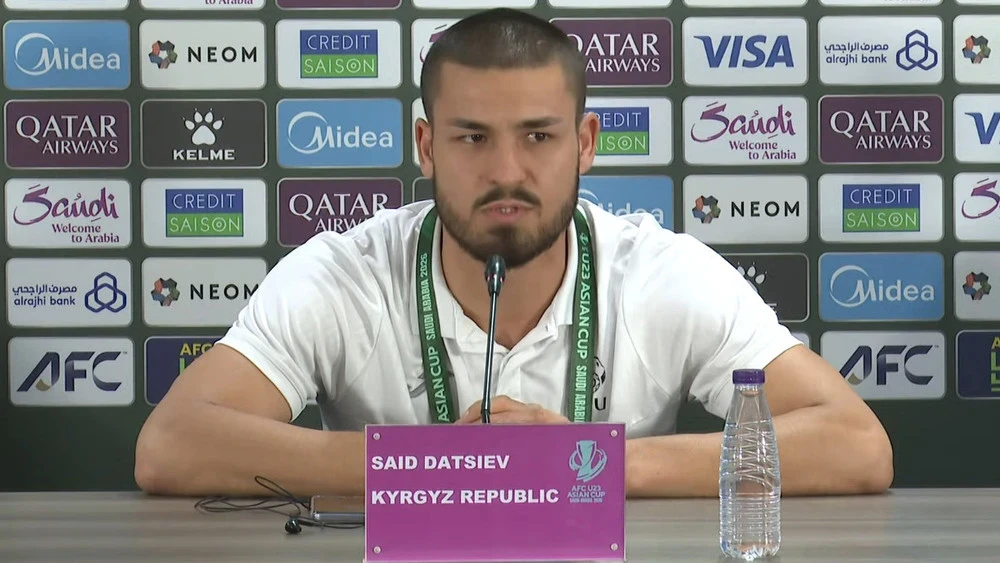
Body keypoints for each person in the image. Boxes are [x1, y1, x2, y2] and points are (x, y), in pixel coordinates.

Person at [134, 8, 893, 499]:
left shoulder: (663, 274)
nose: (506, 172)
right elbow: (172, 445)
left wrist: (590, 463)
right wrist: (428, 465)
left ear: (585, 143)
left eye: (538, 136)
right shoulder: (345, 272)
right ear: (427, 146)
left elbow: (856, 446)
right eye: (472, 138)